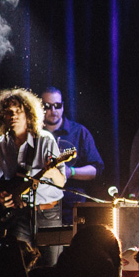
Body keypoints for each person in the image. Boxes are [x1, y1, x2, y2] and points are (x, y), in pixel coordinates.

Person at [0, 88, 66, 265]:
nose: (13, 116)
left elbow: (62, 182)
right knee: (19, 267)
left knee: (50, 269)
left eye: (18, 111)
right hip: (18, 215)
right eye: (8, 112)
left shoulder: (45, 140)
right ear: (2, 116)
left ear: (28, 114)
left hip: (48, 214)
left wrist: (52, 172)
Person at [41, 86, 105, 225]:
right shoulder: (35, 134)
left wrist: (71, 172)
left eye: (57, 105)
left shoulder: (79, 132)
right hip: (42, 204)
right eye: (47, 106)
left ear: (63, 106)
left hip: (71, 205)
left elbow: (96, 168)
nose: (53, 111)